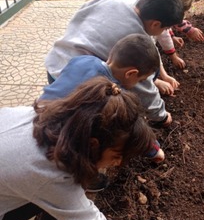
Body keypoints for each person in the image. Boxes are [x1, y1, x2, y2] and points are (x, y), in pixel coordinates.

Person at [0, 78, 178, 220]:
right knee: (65, 197)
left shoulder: (42, 115)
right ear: (93, 144)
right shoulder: (52, 174)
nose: (117, 163)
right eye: (116, 156)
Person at [45, 0, 184, 127]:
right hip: (80, 88)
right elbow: (142, 88)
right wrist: (161, 116)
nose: (164, 32)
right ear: (155, 24)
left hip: (55, 65)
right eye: (165, 29)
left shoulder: (110, 0)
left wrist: (157, 80)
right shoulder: (133, 39)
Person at [41, 34, 165, 165]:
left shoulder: (83, 59)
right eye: (140, 81)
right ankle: (90, 178)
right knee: (94, 143)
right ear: (130, 74)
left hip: (38, 113)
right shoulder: (108, 95)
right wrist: (154, 150)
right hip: (54, 139)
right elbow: (132, 127)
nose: (138, 84)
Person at [116, 0, 204, 71]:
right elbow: (161, 33)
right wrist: (173, 56)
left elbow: (165, 24)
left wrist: (173, 36)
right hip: (119, 29)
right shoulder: (152, 0)